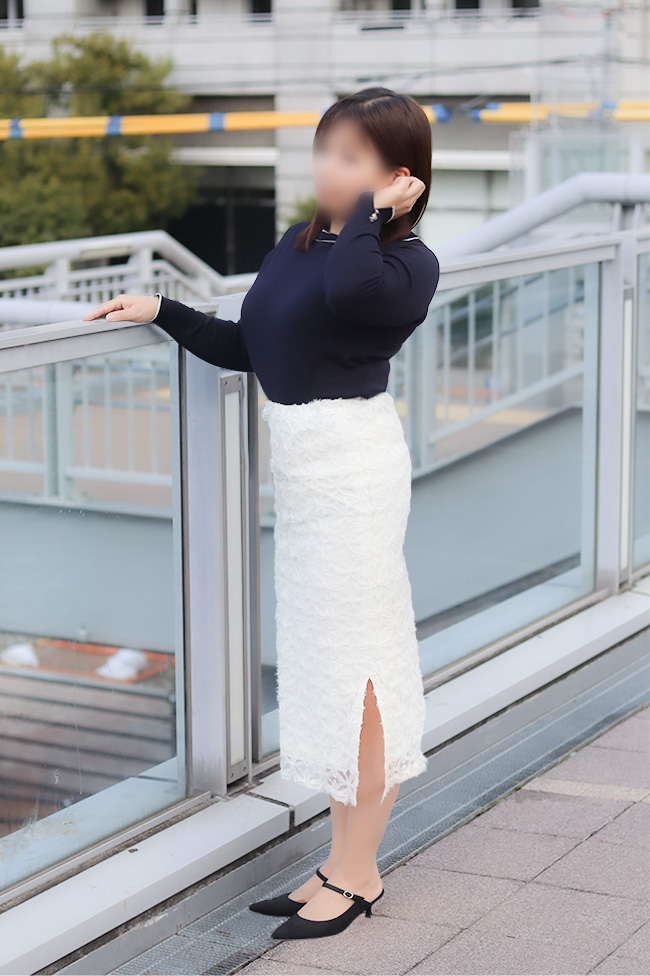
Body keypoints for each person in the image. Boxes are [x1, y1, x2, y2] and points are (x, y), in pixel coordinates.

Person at [83, 86, 440, 941]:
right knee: (329, 667)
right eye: (324, 151)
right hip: (306, 476)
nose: (328, 170)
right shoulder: (300, 243)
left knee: (364, 669)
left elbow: (352, 294)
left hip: (354, 473)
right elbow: (252, 345)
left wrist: (370, 214)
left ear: (400, 177)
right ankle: (342, 859)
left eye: (350, 159)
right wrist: (164, 311)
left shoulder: (406, 264)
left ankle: (358, 871)